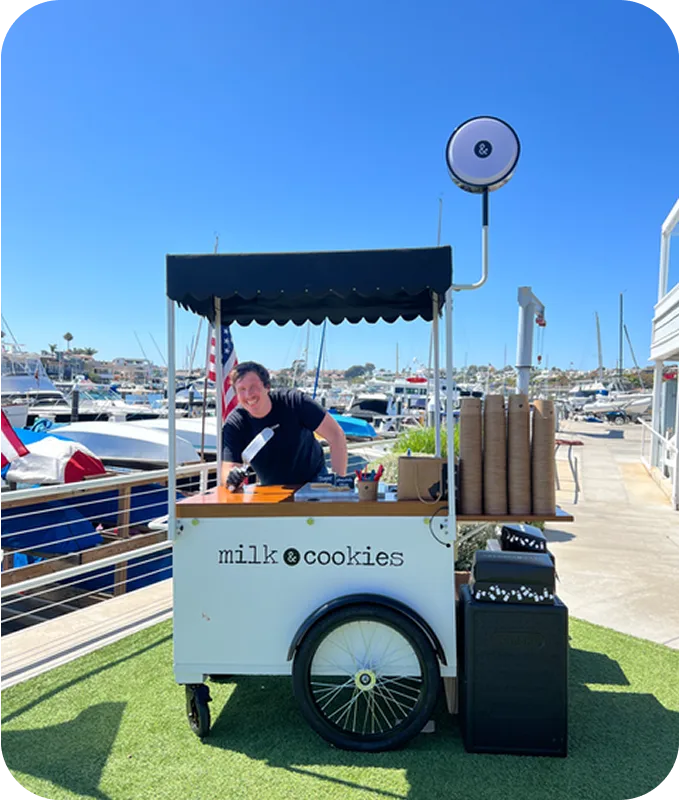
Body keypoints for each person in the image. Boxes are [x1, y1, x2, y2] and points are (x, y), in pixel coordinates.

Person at [221, 361, 348, 488]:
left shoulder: (294, 402)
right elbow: (228, 468)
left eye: (253, 387)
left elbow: (336, 435)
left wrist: (338, 485)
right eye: (242, 389)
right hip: (271, 487)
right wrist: (231, 478)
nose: (248, 394)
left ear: (267, 387)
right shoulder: (235, 423)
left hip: (315, 480)